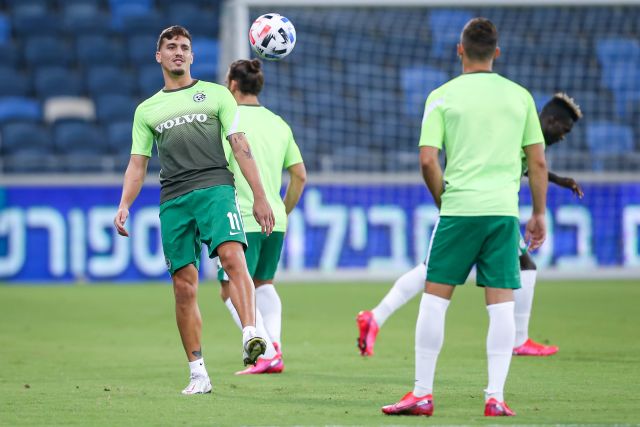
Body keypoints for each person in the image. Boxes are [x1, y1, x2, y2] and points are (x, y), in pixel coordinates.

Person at [381, 18, 548, 417]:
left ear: (460, 50)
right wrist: (539, 212)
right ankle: (495, 397)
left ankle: (422, 393)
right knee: (501, 304)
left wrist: (444, 199)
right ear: (497, 53)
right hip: (502, 213)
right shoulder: (520, 97)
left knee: (435, 300)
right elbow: (538, 162)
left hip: (459, 210)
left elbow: (427, 160)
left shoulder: (441, 96)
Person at [113, 26, 275, 395]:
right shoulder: (147, 110)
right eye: (171, 47)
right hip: (174, 199)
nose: (178, 52)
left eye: (184, 47)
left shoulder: (217, 95)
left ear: (192, 56)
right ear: (159, 56)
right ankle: (198, 373)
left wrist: (260, 195)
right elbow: (138, 163)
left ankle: (251, 332)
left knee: (232, 257)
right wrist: (124, 203)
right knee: (184, 287)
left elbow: (239, 145)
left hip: (216, 189)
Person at [357, 93, 582, 357]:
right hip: (485, 209)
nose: (563, 137)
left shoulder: (514, 127)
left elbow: (525, 165)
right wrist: (540, 207)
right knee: (437, 273)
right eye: (564, 129)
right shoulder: (524, 129)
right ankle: (516, 342)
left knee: (518, 265)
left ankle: (376, 317)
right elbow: (534, 164)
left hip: (472, 205)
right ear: (551, 120)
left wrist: (557, 180)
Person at [217, 59, 306, 375]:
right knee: (262, 283)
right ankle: (274, 347)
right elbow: (300, 175)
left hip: (240, 217)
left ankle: (266, 351)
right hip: (275, 219)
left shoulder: (228, 120)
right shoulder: (279, 123)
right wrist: (283, 209)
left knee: (230, 288)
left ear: (233, 84)